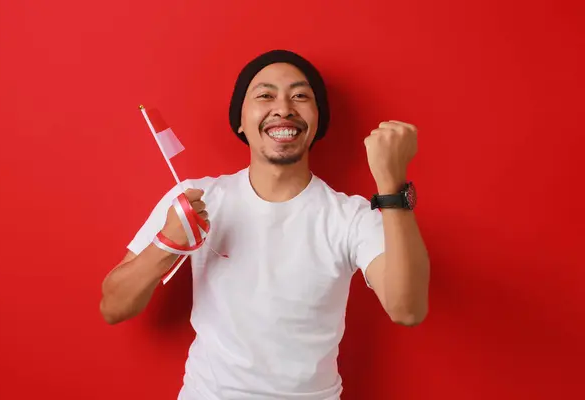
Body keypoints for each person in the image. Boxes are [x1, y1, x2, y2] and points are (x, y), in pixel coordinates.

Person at [100, 49, 430, 400]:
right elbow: (113, 306)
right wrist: (168, 243)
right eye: (265, 95)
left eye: (300, 96)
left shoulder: (350, 217)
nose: (283, 107)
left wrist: (391, 186)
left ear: (318, 120)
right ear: (240, 120)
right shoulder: (195, 198)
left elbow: (407, 308)